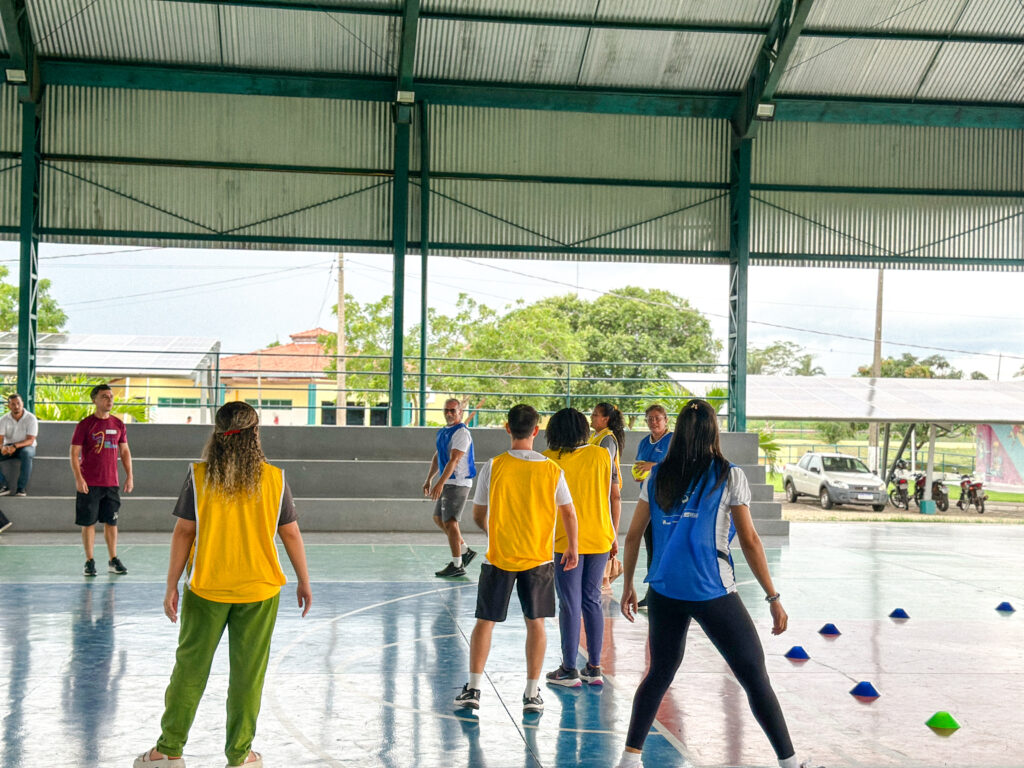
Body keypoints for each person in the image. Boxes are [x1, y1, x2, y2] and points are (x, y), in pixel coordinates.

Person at [616, 399, 814, 768]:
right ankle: (790, 763)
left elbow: (632, 536)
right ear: (713, 431)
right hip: (711, 590)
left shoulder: (658, 474)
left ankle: (629, 759)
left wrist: (628, 584)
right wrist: (773, 596)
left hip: (663, 590)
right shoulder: (728, 475)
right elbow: (751, 541)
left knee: (658, 672)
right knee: (754, 674)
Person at [135, 401, 312, 768]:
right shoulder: (274, 478)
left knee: (189, 670)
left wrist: (171, 584)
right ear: (255, 434)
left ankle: (168, 750)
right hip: (260, 591)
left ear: (216, 434)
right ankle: (240, 755)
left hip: (206, 589)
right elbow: (291, 534)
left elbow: (184, 531)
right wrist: (304, 581)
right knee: (248, 677)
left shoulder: (199, 476)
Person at [454, 404, 579, 715]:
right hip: (538, 557)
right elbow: (568, 511)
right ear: (536, 431)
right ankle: (532, 692)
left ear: (507, 428)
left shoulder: (494, 466)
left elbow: (479, 513)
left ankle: (473, 688)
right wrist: (573, 547)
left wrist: (494, 531)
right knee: (536, 624)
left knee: (485, 622)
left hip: (500, 556)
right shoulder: (552, 470)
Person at [541, 408, 620, 688]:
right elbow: (614, 495)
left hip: (566, 541)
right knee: (592, 600)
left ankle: (569, 669)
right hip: (599, 535)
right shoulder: (602, 455)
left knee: (570, 603)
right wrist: (613, 535)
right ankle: (595, 667)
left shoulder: (548, 460)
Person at [70, 384, 134, 577]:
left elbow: (124, 451)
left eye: (111, 396)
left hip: (111, 483)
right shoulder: (85, 425)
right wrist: (79, 478)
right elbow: (74, 454)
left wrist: (129, 475)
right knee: (88, 523)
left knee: (111, 522)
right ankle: (89, 561)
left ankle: (113, 559)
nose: (109, 400)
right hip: (89, 483)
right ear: (95, 400)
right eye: (105, 396)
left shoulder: (118, 424)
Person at [423, 398, 477, 577]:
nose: (449, 413)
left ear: (460, 412)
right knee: (438, 518)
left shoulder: (462, 433)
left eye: (453, 411)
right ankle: (464, 550)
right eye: (446, 410)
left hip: (458, 482)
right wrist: (429, 478)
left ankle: (457, 565)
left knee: (450, 521)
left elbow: (454, 460)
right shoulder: (443, 432)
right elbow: (439, 456)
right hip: (448, 481)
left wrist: (440, 482)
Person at [632, 403, 673, 608]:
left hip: (670, 504)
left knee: (670, 550)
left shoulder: (673, 440)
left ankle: (673, 594)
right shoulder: (643, 443)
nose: (653, 422)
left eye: (657, 418)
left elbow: (679, 466)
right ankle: (652, 594)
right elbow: (640, 468)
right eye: (650, 418)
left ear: (666, 420)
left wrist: (653, 467)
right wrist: (640, 472)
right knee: (652, 550)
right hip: (649, 503)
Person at [0, 393, 39, 496]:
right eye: (13, 404)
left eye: (18, 403)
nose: (16, 406)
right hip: (9, 446)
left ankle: (21, 489)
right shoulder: (3, 419)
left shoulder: (31, 418)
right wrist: (2, 447)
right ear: (8, 406)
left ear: (23, 404)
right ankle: (3, 486)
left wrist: (14, 446)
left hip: (26, 446)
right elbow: (0, 439)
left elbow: (30, 440)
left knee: (27, 454)